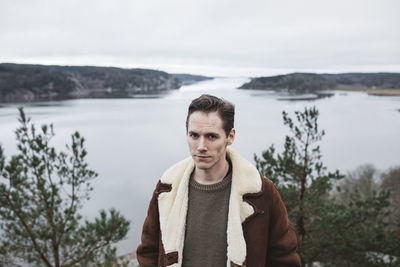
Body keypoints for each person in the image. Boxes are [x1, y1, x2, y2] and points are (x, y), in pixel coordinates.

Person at [136, 94, 301, 267]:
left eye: (211, 136)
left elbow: (284, 259)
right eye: (194, 135)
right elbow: (148, 252)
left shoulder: (261, 193)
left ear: (230, 137)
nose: (201, 146)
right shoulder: (167, 188)